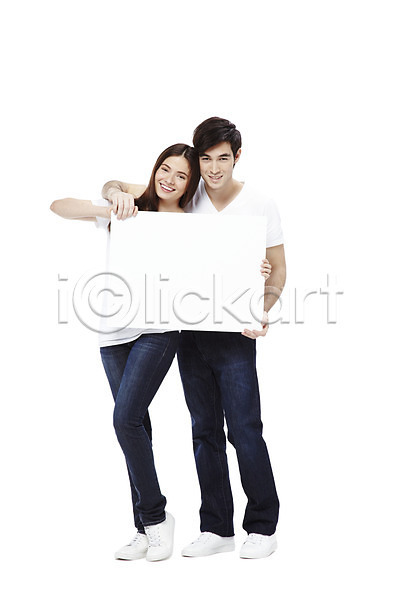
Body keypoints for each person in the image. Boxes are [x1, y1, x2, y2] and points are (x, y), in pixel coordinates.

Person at [101, 117, 286, 559]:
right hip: (187, 332)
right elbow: (121, 186)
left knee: (245, 429)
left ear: (237, 157)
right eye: (206, 159)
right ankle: (217, 527)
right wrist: (113, 193)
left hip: (234, 333)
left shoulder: (260, 204)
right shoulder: (188, 193)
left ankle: (262, 526)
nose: (214, 168)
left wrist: (263, 308)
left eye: (223, 158)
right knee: (204, 431)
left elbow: (277, 269)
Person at [50, 144, 201, 562]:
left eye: (182, 176)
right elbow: (58, 206)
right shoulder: (131, 209)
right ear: (155, 169)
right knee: (136, 427)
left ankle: (155, 518)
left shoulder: (191, 221)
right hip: (112, 333)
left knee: (124, 419)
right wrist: (113, 197)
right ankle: (144, 527)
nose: (170, 179)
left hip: (159, 330)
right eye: (165, 169)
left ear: (190, 185)